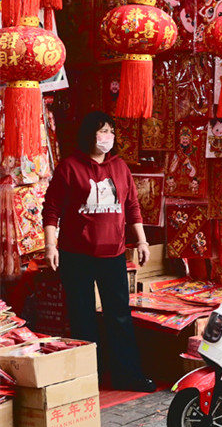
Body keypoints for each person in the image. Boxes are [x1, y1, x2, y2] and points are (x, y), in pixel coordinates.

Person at [41, 111, 155, 392]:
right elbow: (51, 209)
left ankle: (127, 375)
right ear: (88, 134)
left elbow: (132, 207)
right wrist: (50, 245)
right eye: (101, 131)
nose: (106, 136)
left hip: (113, 255)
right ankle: (88, 376)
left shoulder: (120, 168)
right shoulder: (69, 167)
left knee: (119, 316)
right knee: (82, 317)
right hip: (76, 255)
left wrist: (141, 241)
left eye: (110, 131)